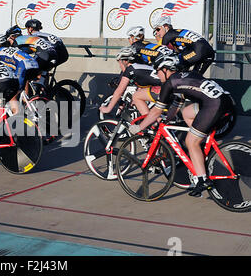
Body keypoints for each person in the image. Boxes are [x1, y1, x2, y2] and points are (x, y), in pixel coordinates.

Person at [128, 54, 234, 197]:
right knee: (187, 112)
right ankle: (201, 145)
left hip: (213, 106)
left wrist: (140, 127)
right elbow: (177, 105)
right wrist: (167, 120)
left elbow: (155, 111)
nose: (157, 74)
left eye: (158, 70)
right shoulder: (186, 75)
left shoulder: (169, 83)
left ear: (166, 69)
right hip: (226, 101)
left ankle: (202, 180)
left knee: (191, 141)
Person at [99, 46, 162, 116]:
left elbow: (119, 91)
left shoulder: (130, 69)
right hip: (166, 87)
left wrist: (108, 109)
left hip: (164, 90)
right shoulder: (139, 66)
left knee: (136, 96)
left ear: (125, 61)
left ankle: (149, 122)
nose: (120, 66)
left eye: (119, 62)